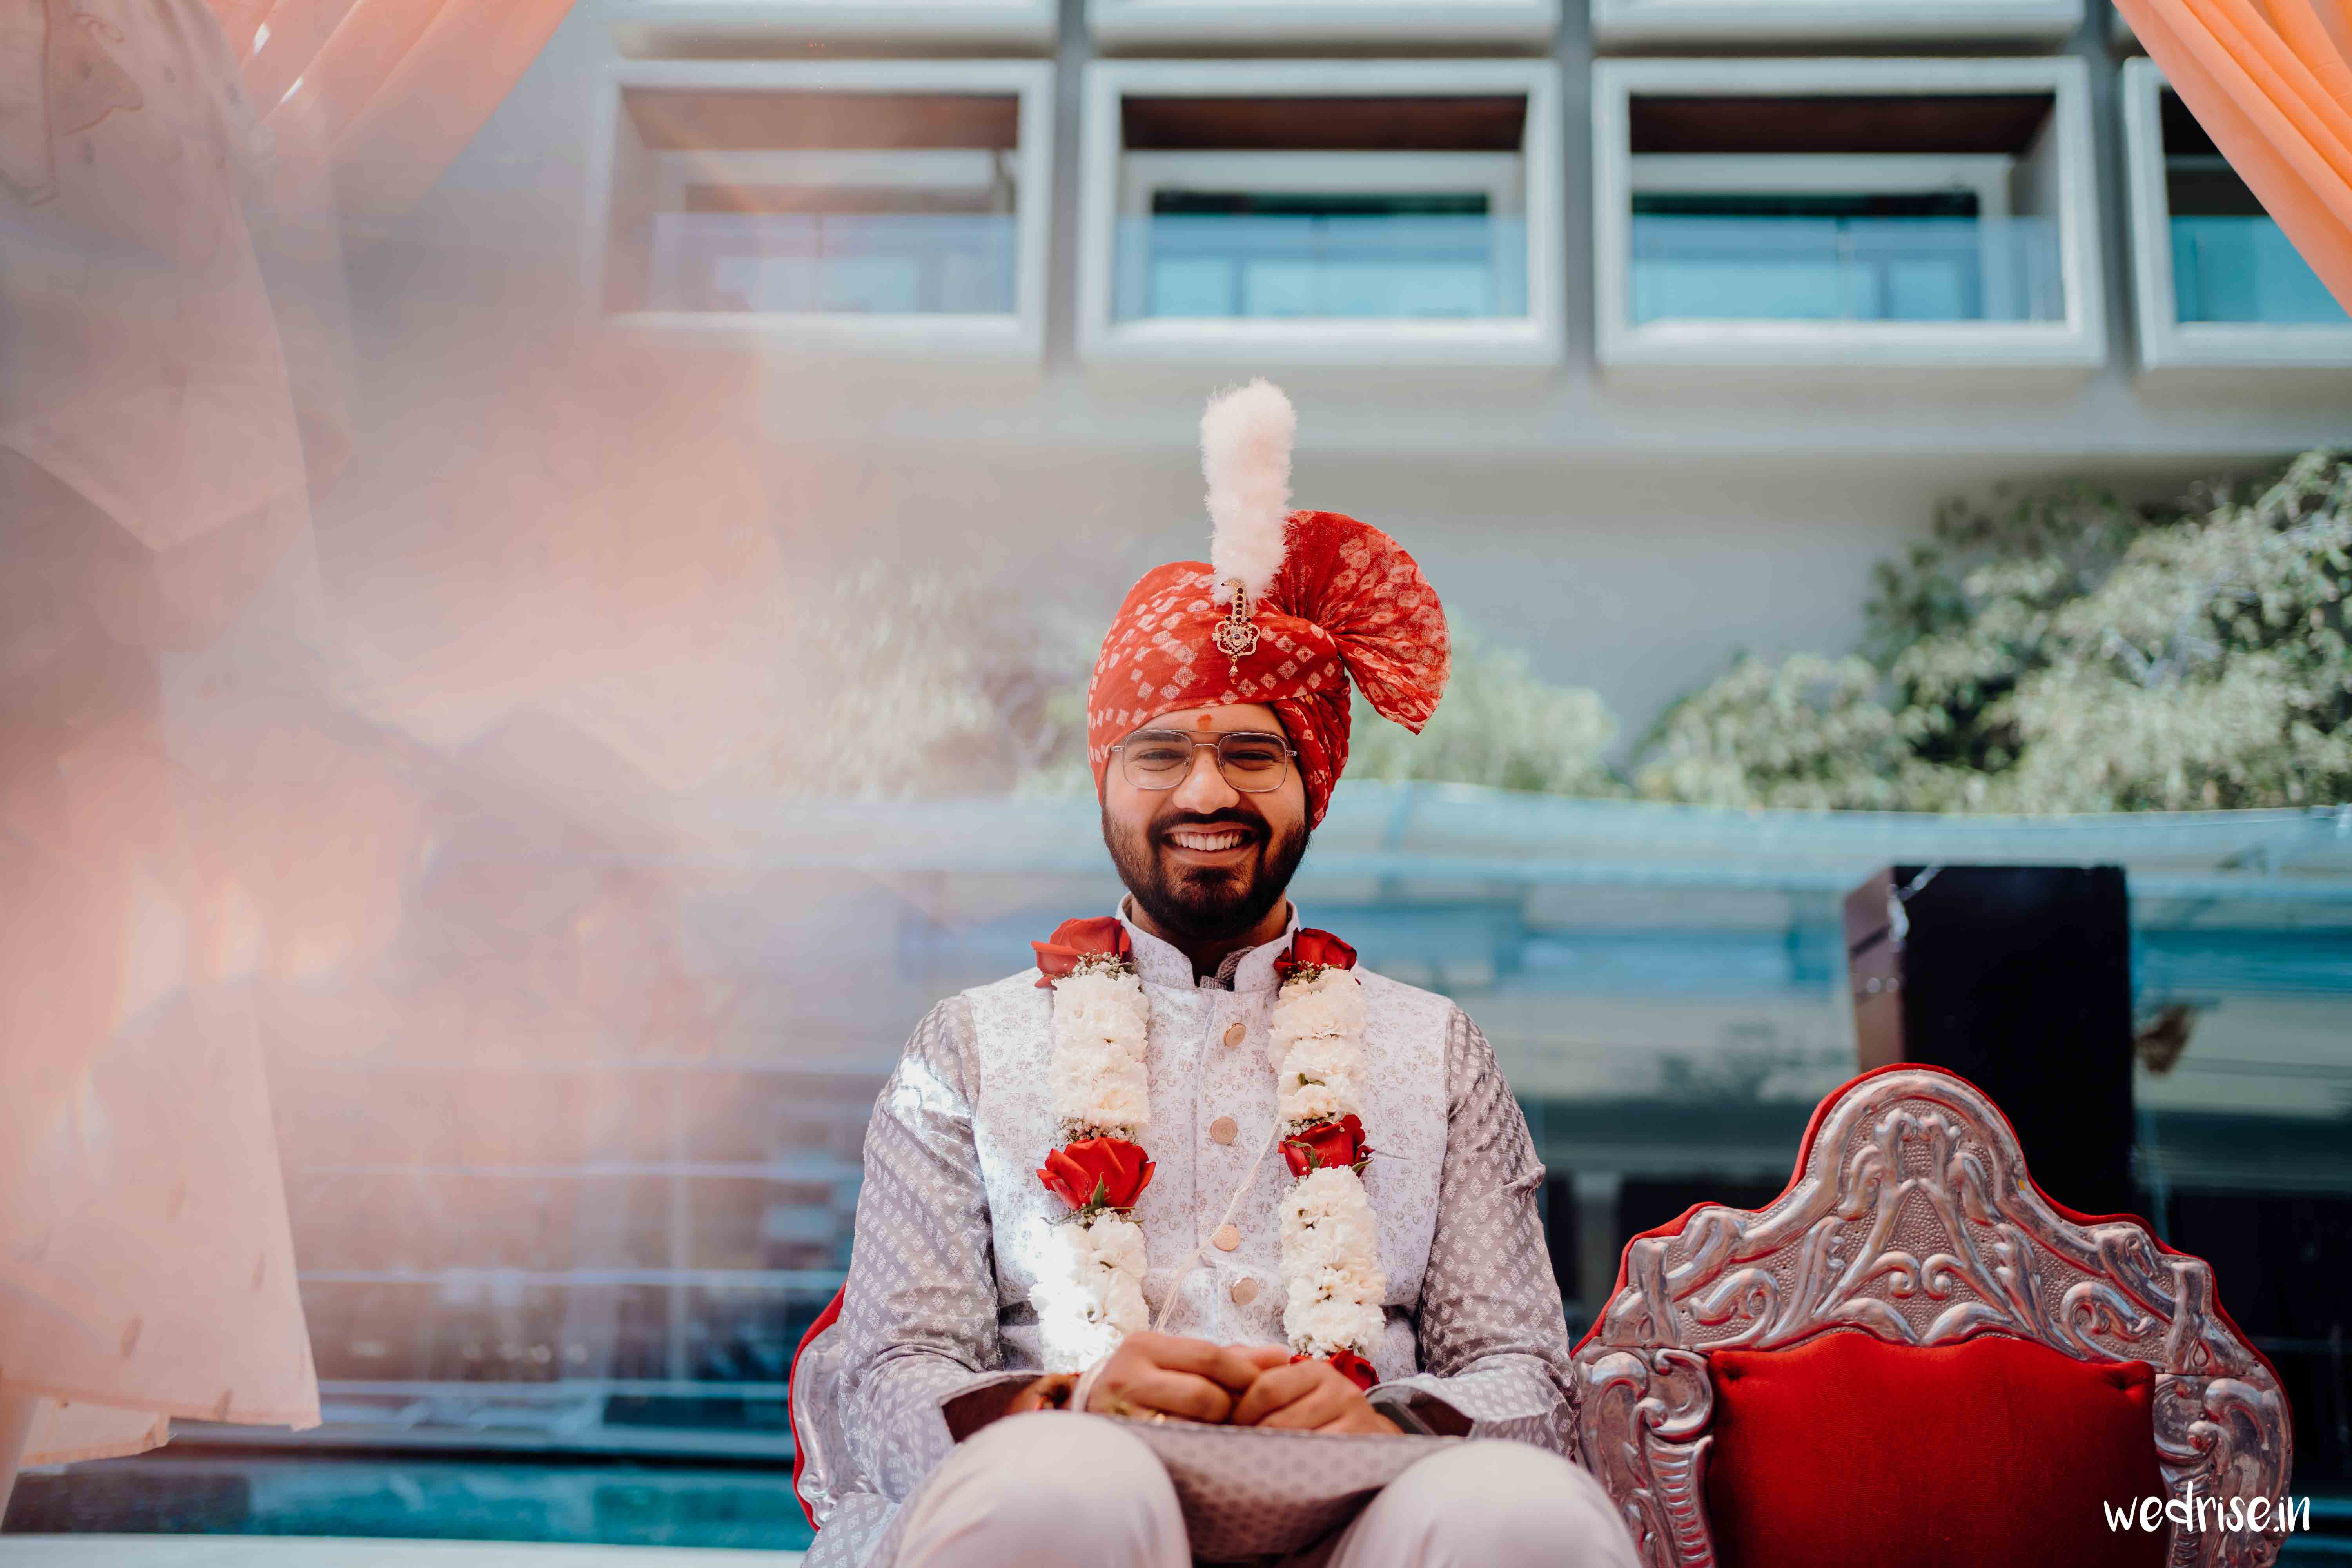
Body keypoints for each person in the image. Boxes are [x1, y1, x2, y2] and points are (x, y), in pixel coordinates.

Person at [795, 381, 1638, 1568]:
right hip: (1064, 1479)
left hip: (1360, 1507)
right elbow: (891, 1373)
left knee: (1523, 1516)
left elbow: (1522, 1377)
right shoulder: (969, 1046)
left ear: (1312, 788)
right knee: (1063, 1490)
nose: (1205, 793)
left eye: (1253, 752)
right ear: (1104, 784)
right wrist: (1072, 1404)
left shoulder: (1432, 1047)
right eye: (1159, 754)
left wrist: (1387, 1418)